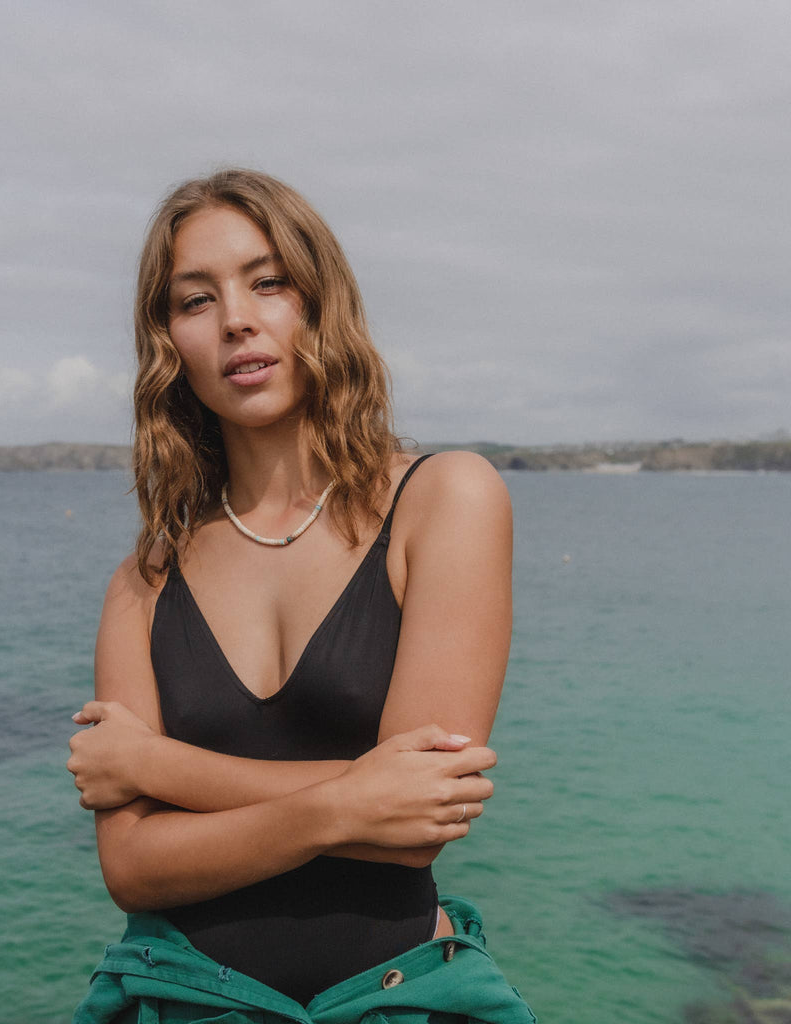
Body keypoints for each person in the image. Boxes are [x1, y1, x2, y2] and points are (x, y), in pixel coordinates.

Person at [67, 169, 534, 1023]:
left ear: (320, 302)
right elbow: (132, 868)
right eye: (196, 299)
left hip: (397, 1004)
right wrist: (348, 803)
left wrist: (156, 766)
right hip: (181, 1003)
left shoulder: (445, 499)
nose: (237, 318)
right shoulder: (144, 581)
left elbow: (420, 821)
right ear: (169, 340)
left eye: (268, 281)